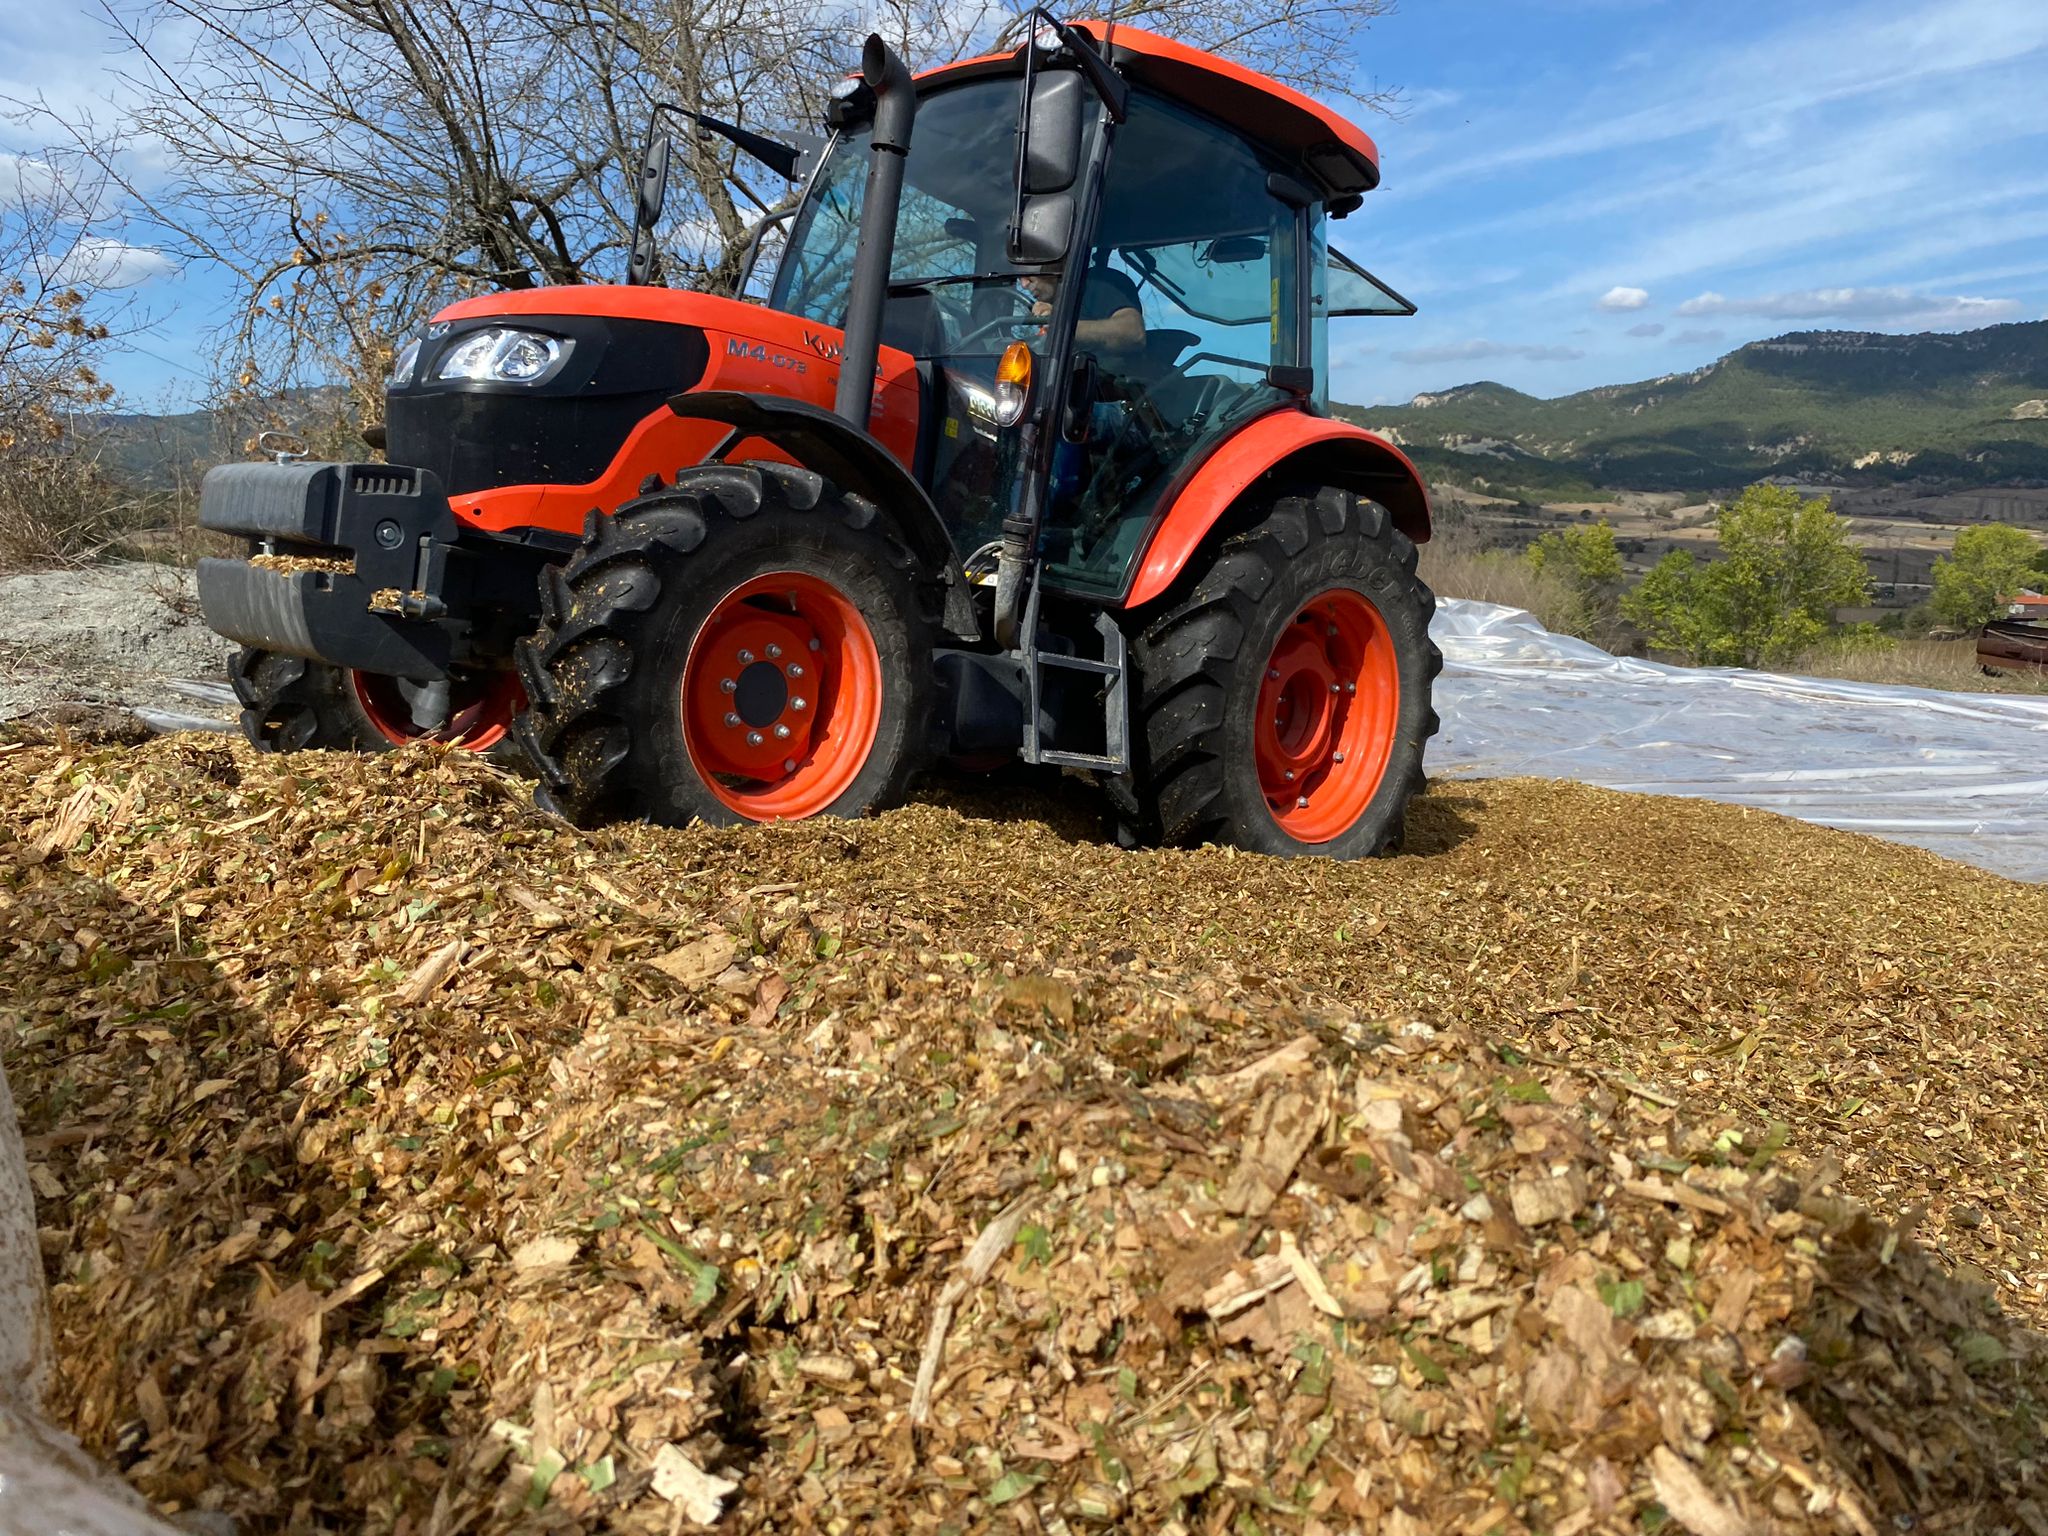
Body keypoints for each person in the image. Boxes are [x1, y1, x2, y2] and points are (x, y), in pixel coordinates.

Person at [1020, 267, 1144, 362]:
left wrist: (1061, 327)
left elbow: (1134, 334)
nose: (1024, 284)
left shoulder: (1094, 283)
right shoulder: (1040, 308)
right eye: (1019, 277)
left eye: (1027, 271)